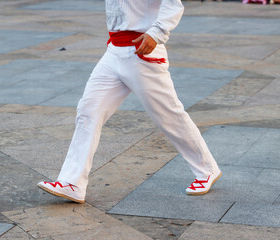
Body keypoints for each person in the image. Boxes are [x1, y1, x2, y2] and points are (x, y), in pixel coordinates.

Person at [37, 0, 222, 204]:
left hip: (142, 50)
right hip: (114, 51)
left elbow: (173, 3)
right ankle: (72, 183)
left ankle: (207, 170)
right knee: (88, 110)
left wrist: (156, 32)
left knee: (169, 116)